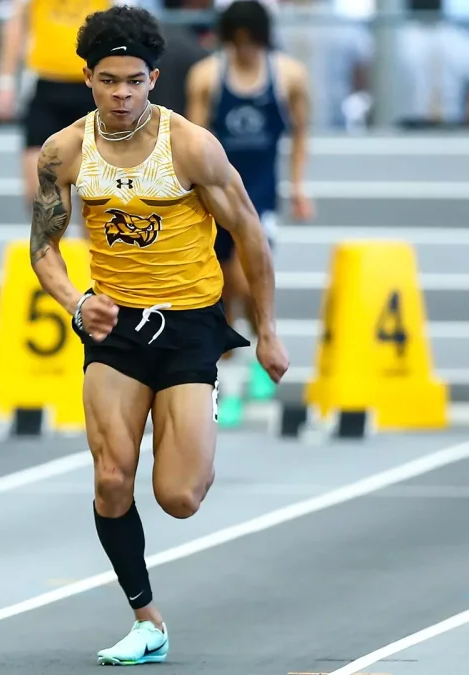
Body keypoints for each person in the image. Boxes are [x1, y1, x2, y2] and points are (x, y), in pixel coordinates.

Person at [28, 5, 288, 663]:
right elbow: (44, 248)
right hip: (115, 329)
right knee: (113, 478)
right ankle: (147, 618)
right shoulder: (63, 151)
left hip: (191, 326)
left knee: (178, 497)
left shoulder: (191, 147)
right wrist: (75, 300)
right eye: (109, 80)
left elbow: (251, 234)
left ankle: (204, 404)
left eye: (135, 81)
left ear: (155, 78)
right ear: (88, 77)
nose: (122, 94)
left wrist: (270, 331)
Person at [184, 0, 311, 427]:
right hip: (215, 195)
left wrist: (297, 186)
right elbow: (192, 139)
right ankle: (229, 373)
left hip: (260, 196)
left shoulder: (288, 76)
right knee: (219, 292)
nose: (243, 51)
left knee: (244, 276)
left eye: (249, 42)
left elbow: (300, 131)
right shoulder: (207, 76)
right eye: (235, 42)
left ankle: (258, 347)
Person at [0, 0, 110, 214]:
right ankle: (48, 245)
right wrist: (5, 83)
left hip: (95, 87)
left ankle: (93, 246)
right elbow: (16, 23)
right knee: (41, 193)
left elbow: (125, 25)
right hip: (45, 85)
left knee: (96, 194)